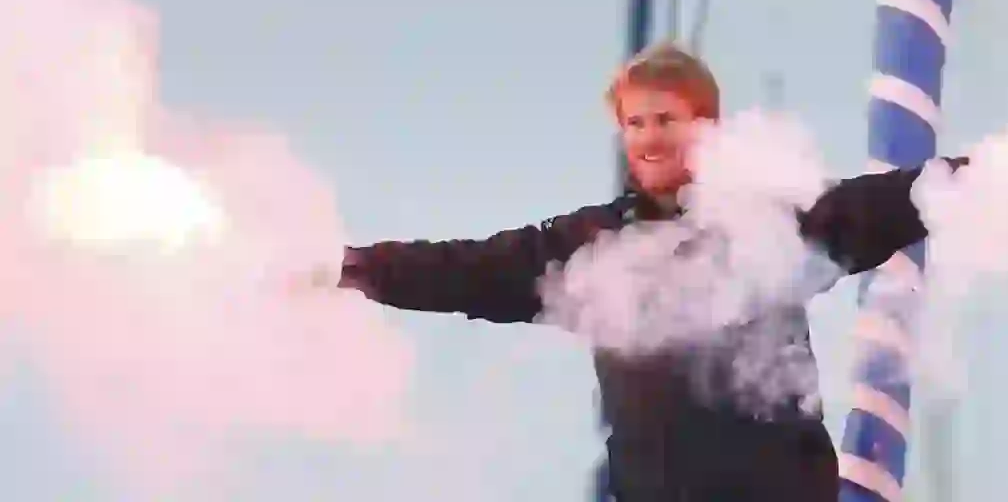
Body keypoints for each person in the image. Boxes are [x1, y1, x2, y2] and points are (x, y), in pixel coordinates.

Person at [338, 43, 966, 501]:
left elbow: (905, 198)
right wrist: (350, 267)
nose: (649, 138)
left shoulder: (780, 219)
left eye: (666, 119)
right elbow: (467, 269)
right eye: (634, 123)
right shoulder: (591, 246)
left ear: (707, 125)